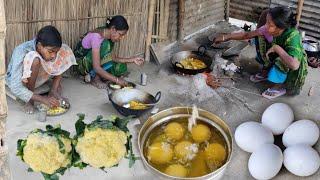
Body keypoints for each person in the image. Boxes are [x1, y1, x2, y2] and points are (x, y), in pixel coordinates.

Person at [213, 6, 308, 99]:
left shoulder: (293, 36)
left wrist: (277, 48)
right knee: (260, 38)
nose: (266, 26)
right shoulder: (268, 29)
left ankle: (280, 86)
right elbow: (247, 35)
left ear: (281, 27)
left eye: (270, 24)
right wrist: (225, 37)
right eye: (267, 22)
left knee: (282, 57)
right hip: (277, 55)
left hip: (292, 67)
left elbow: (294, 65)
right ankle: (266, 71)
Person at [6, 25, 77, 114]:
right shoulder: (21, 50)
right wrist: (43, 99)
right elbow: (15, 87)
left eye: (55, 51)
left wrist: (53, 89)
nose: (53, 55)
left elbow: (56, 53)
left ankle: (53, 91)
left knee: (64, 51)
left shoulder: (51, 51)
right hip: (23, 82)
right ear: (39, 46)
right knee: (34, 60)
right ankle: (30, 101)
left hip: (40, 78)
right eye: (50, 51)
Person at [74, 15, 144, 89]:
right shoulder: (97, 37)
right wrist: (117, 80)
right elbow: (96, 67)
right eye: (120, 35)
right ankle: (95, 78)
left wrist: (132, 59)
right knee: (105, 45)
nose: (121, 38)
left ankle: (98, 76)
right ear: (113, 29)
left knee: (121, 67)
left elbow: (113, 58)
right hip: (82, 64)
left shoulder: (109, 36)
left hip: (95, 62)